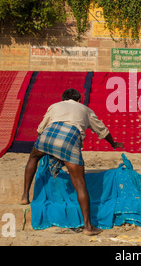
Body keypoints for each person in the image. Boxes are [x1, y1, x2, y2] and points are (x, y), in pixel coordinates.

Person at [20, 88, 124, 235]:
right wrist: (113, 143)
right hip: (69, 139)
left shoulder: (55, 106)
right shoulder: (85, 109)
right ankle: (88, 227)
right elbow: (103, 131)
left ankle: (25, 196)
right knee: (80, 184)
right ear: (79, 100)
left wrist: (49, 146)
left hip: (48, 135)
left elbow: (40, 129)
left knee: (33, 157)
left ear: (63, 99)